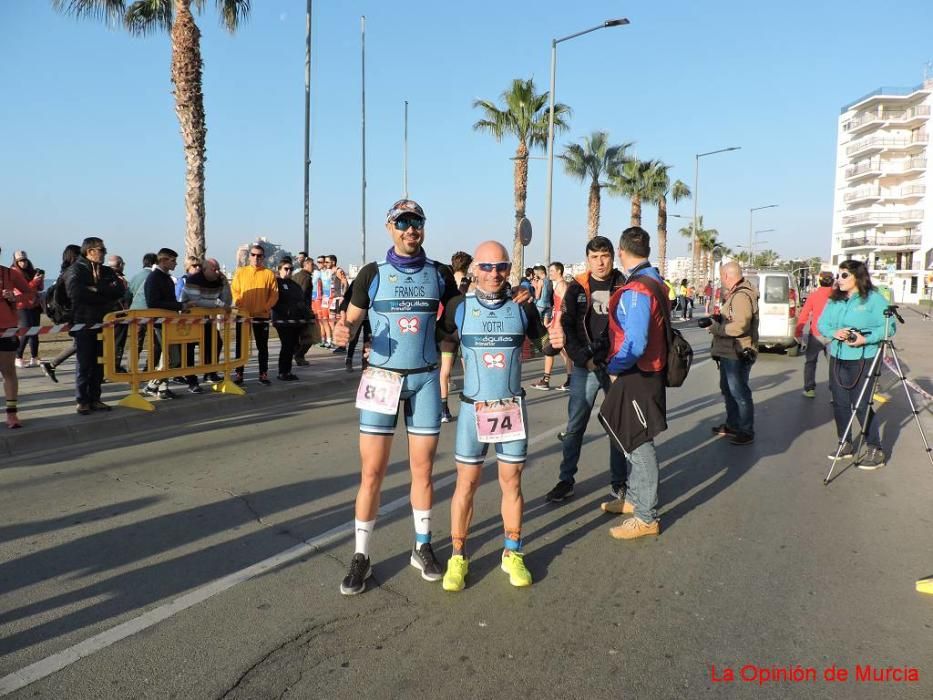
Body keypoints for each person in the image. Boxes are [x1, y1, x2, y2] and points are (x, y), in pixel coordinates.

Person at [332, 198, 459, 596]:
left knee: (423, 471)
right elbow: (350, 320)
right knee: (372, 473)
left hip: (423, 380)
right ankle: (361, 555)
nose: (410, 229)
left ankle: (422, 546)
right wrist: (341, 331)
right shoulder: (371, 273)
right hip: (381, 381)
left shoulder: (440, 274)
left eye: (416, 222)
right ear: (390, 226)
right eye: (403, 222)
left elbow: (458, 319)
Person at [439, 241, 557, 591]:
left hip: (510, 408)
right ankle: (458, 556)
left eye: (501, 266)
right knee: (466, 485)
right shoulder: (460, 307)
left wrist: (558, 336)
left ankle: (512, 552)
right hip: (473, 409)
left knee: (512, 483)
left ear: (509, 268)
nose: (494, 274)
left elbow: (546, 345)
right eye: (487, 267)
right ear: (474, 269)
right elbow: (438, 339)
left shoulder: (523, 307)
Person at [545, 236, 628, 504]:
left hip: (616, 366)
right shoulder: (577, 287)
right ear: (587, 259)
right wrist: (583, 359)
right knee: (575, 426)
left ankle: (620, 482)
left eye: (604, 255)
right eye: (594, 257)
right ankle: (565, 480)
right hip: (585, 366)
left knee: (617, 426)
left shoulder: (624, 285)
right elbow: (567, 325)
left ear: (612, 256)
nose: (600, 262)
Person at [600, 227, 668, 539]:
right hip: (647, 372)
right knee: (632, 437)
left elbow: (636, 342)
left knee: (639, 444)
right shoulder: (655, 280)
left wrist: (614, 366)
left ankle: (646, 517)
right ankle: (636, 501)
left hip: (638, 374)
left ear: (622, 252)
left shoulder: (638, 289)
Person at [817, 260, 893, 468]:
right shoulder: (834, 300)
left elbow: (889, 327)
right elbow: (822, 323)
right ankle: (845, 442)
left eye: (844, 275)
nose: (838, 279)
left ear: (857, 277)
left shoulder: (874, 300)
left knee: (860, 404)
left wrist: (864, 339)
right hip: (838, 357)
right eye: (838, 275)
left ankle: (874, 447)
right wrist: (834, 333)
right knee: (839, 403)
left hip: (864, 357)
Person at [66, 237, 125, 414]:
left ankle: (95, 398)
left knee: (100, 363)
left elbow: (119, 291)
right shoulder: (76, 269)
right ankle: (82, 400)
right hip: (83, 322)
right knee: (85, 363)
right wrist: (102, 292)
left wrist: (96, 289)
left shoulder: (106, 271)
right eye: (101, 249)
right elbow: (75, 293)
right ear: (90, 251)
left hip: (104, 322)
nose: (104, 252)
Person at [706, 261, 759, 446]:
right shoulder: (736, 294)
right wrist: (718, 320)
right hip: (729, 350)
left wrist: (717, 328)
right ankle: (733, 424)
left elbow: (740, 325)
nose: (721, 280)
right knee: (728, 389)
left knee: (739, 392)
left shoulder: (741, 296)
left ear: (728, 276)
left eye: (722, 276)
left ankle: (746, 431)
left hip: (737, 351)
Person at [143, 248, 199, 397]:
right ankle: (152, 385)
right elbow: (153, 302)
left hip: (170, 323)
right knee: (170, 358)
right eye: (173, 260)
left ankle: (162, 388)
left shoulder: (166, 278)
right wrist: (181, 306)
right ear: (163, 260)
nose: (176, 263)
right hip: (160, 324)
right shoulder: (154, 278)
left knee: (171, 359)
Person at [231, 244, 279, 385]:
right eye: (253, 254)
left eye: (259, 255)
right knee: (241, 346)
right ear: (249, 256)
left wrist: (265, 307)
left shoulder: (269, 274)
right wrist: (240, 303)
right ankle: (239, 374)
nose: (256, 258)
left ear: (263, 257)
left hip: (261, 316)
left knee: (262, 347)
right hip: (243, 315)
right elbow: (235, 290)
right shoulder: (240, 272)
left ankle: (263, 374)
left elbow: (274, 295)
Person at [181, 257, 232, 382]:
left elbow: (227, 301)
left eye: (219, 269)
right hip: (190, 320)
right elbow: (197, 301)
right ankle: (191, 379)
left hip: (207, 319)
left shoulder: (219, 280)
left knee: (216, 343)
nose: (218, 272)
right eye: (215, 269)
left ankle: (210, 372)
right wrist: (217, 303)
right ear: (205, 270)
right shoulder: (194, 279)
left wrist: (225, 283)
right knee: (189, 348)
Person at [1, 249, 35, 428]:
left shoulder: (9, 273)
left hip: (6, 329)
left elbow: (30, 294)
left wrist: (15, 297)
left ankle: (12, 415)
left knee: (8, 372)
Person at [439, 251, 473, 422]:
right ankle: (470, 404)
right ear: (468, 266)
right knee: (468, 367)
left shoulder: (447, 282)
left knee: (445, 370)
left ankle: (444, 409)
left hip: (447, 329)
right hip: (464, 329)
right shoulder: (471, 284)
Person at [39, 244, 81, 383]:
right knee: (79, 344)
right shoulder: (73, 273)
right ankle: (51, 364)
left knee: (78, 344)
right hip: (75, 313)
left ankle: (51, 365)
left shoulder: (64, 272)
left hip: (71, 313)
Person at [796, 271, 835, 399]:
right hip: (833, 336)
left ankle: (809, 389)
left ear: (820, 281)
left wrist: (798, 332)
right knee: (834, 365)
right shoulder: (838, 296)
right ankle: (835, 393)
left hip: (816, 335)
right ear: (833, 281)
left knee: (810, 362)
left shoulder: (814, 296)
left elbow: (804, 315)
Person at [272, 259, 308, 381]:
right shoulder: (276, 283)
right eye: (286, 269)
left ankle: (287, 371)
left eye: (291, 269)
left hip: (295, 321)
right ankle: (283, 372)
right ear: (280, 270)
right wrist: (286, 311)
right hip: (282, 321)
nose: (289, 271)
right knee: (287, 345)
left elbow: (301, 300)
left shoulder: (294, 285)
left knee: (293, 345)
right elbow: (274, 302)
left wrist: (306, 313)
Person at [12, 251, 44, 368]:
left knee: (35, 332)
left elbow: (40, 288)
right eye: (20, 260)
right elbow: (23, 290)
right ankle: (18, 357)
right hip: (21, 305)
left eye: (24, 260)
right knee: (25, 331)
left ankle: (34, 357)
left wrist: (40, 280)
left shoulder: (31, 271)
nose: (23, 263)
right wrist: (34, 282)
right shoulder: (14, 273)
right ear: (15, 261)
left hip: (34, 305)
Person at [106, 254, 132, 372]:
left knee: (108, 342)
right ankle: (114, 365)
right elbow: (123, 298)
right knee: (118, 342)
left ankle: (108, 365)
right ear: (120, 265)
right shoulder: (119, 280)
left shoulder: (103, 277)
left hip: (107, 315)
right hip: (119, 315)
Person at [290, 257, 316, 366]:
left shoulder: (296, 275)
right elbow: (303, 295)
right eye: (312, 265)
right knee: (309, 337)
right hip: (303, 311)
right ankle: (299, 356)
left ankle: (297, 354)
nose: (313, 267)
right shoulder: (306, 278)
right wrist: (308, 313)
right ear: (306, 265)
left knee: (296, 336)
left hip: (294, 311)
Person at [313, 255, 334, 348]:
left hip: (329, 299)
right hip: (322, 299)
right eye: (318, 262)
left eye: (321, 262)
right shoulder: (319, 273)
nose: (319, 264)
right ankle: (324, 339)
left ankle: (333, 341)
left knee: (331, 321)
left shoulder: (330, 272)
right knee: (322, 320)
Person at [328, 258, 348, 355]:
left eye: (327, 262)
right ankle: (337, 342)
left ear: (333, 262)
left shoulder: (339, 271)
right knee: (332, 321)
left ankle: (342, 345)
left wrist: (343, 296)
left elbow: (345, 282)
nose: (326, 263)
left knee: (340, 322)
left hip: (338, 299)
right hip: (333, 299)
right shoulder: (331, 272)